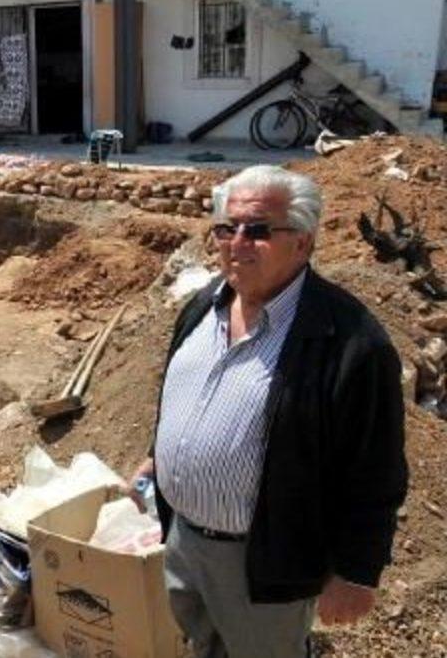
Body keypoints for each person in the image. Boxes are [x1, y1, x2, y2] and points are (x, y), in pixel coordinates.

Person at [130, 165, 408, 657]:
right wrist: (157, 458)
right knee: (202, 648)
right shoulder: (202, 307)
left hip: (264, 563)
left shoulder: (350, 343)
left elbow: (375, 469)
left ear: (302, 241)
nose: (237, 243)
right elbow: (191, 396)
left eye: (258, 230)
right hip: (183, 543)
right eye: (226, 228)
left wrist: (356, 573)